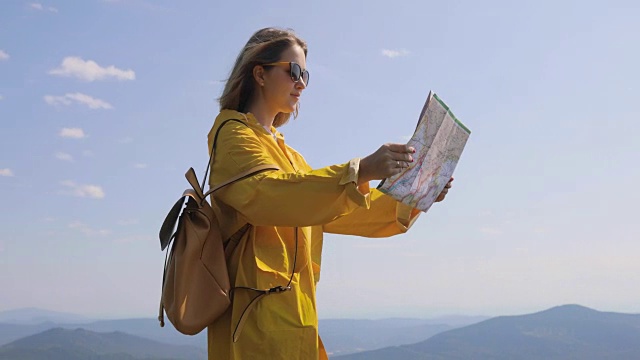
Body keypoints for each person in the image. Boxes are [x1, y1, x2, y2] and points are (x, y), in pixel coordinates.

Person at [206, 27, 453, 360]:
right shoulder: (232, 134)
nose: (302, 83)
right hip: (254, 327)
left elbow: (343, 209)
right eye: (293, 71)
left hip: (295, 320)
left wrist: (417, 193)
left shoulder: (290, 156)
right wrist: (360, 170)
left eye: (305, 74)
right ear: (259, 73)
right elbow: (267, 197)